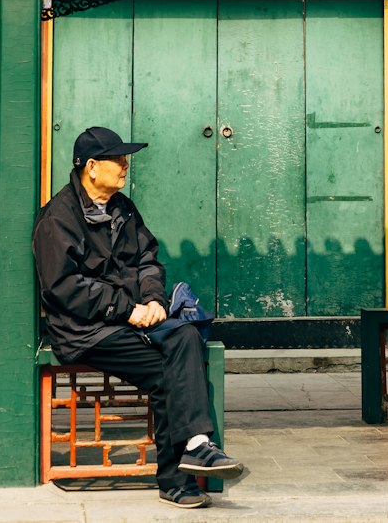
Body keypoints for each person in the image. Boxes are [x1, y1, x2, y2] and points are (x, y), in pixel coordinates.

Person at [33, 126, 243, 510]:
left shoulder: (123, 209)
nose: (125, 165)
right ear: (92, 167)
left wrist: (154, 300)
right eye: (118, 159)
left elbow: (148, 259)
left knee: (185, 337)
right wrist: (128, 309)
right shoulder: (58, 218)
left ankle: (195, 448)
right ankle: (182, 472)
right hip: (87, 331)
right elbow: (63, 287)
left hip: (134, 318)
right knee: (171, 376)